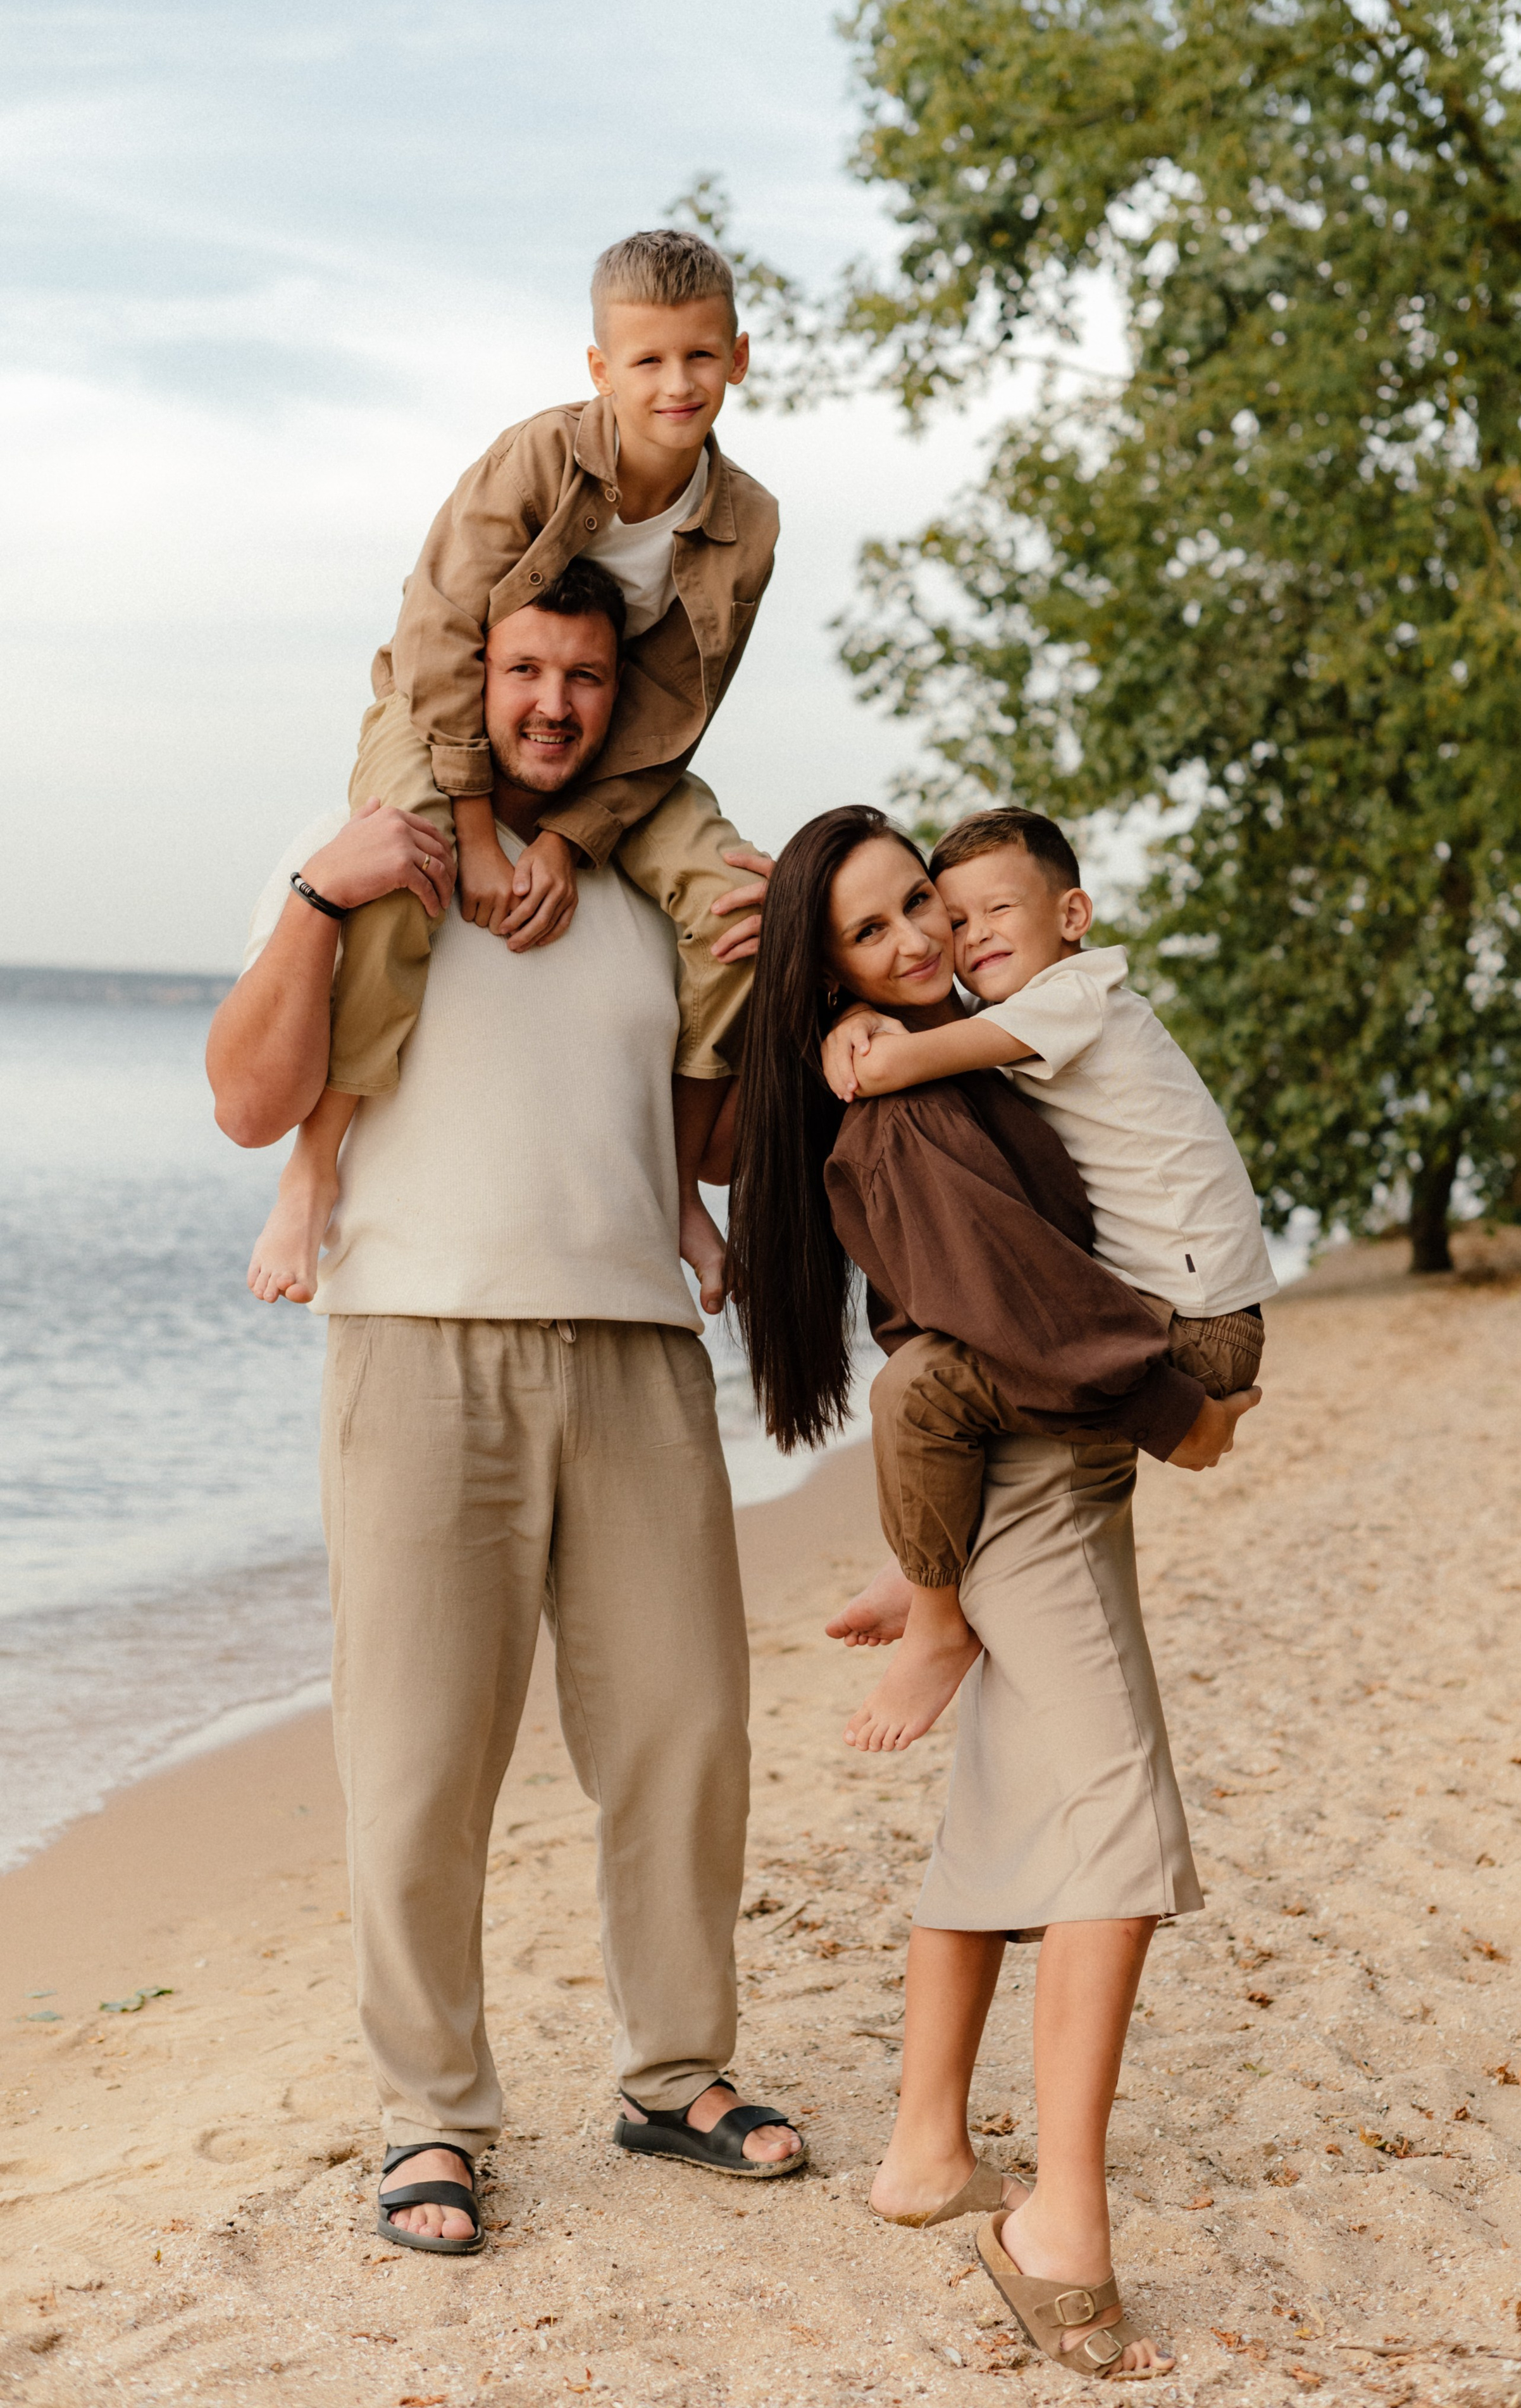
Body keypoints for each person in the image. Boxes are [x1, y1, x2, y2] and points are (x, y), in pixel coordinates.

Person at [207, 568, 801, 2262]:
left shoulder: (635, 882)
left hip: (632, 1345)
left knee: (683, 1732)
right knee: (415, 1763)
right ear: (479, 675)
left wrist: (773, 997)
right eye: (527, 670)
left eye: (587, 678)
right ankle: (431, 2117)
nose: (554, 703)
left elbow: (707, 1150)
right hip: (414, 1341)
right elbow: (251, 1100)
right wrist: (319, 902)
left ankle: (675, 2071)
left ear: (624, 700)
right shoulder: (363, 849)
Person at [727, 806, 1254, 2378]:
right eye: (877, 932)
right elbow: (1007, 1317)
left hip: (1025, 1477)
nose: (922, 947)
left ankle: (924, 2153)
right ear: (828, 982)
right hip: (1035, 1475)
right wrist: (1185, 1411)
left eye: (925, 913)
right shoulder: (901, 1098)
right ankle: (1062, 2228)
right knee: (1115, 1821)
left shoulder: (970, 1044)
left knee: (1014, 1793)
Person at [247, 227, 778, 1318]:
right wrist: (481, 831)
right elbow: (441, 629)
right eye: (646, 361)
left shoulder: (750, 523)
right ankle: (316, 1158)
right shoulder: (538, 457)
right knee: (408, 865)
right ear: (600, 370)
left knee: (738, 908)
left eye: (699, 358)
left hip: (614, 748)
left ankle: (680, 1189)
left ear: (737, 358)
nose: (675, 385)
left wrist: (573, 838)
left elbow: (677, 702)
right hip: (441, 708)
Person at [819, 804, 1274, 1748]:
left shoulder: (1074, 998)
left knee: (922, 1395)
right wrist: (860, 1011)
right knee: (966, 1346)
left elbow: (915, 1059)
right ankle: (927, 1562)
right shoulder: (1035, 1020)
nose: (969, 933)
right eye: (958, 916)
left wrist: (858, 1029)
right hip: (1184, 1308)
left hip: (1195, 1330)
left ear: (1073, 915)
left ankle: (935, 1610)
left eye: (998, 910)